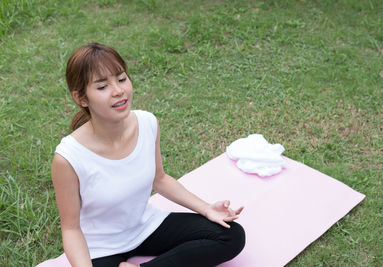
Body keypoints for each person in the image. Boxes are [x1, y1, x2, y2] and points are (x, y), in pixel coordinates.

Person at [51, 42, 245, 267]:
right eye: (102, 86)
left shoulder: (147, 123)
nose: (118, 91)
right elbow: (71, 228)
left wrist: (207, 208)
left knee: (231, 235)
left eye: (122, 79)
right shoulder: (68, 158)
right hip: (101, 248)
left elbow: (159, 179)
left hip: (146, 227)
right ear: (81, 98)